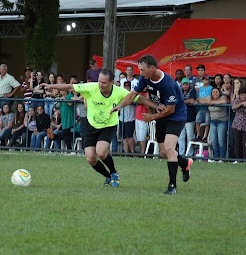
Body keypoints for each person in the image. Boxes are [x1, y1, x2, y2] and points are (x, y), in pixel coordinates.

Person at [112, 55, 193, 194]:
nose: (141, 73)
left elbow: (170, 109)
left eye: (143, 70)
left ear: (153, 68)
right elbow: (133, 95)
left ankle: (172, 186)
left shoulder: (168, 83)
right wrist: (119, 106)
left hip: (176, 116)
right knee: (163, 152)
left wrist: (152, 116)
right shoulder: (145, 78)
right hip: (161, 116)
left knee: (168, 148)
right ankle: (185, 163)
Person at [41, 69, 130, 186]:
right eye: (99, 81)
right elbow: (70, 87)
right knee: (90, 158)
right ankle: (108, 177)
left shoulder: (119, 91)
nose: (100, 85)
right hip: (90, 125)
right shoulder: (91, 87)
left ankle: (114, 173)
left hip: (108, 125)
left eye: (103, 82)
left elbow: (137, 97)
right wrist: (51, 85)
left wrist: (155, 106)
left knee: (101, 152)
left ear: (111, 82)